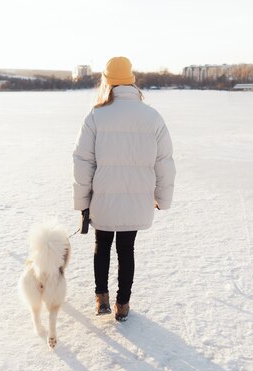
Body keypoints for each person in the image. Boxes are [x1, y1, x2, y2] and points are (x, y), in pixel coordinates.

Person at [72, 56, 176, 322]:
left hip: (103, 199)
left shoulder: (96, 115)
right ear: (131, 81)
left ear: (108, 82)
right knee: (126, 249)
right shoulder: (152, 117)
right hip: (137, 198)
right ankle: (123, 304)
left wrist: (83, 202)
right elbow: (164, 162)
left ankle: (101, 298)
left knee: (102, 245)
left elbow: (83, 162)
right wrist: (161, 199)